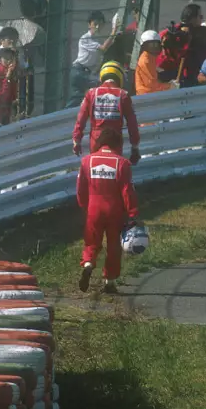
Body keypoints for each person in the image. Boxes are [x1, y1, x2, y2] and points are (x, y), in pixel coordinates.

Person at [76, 126, 140, 295]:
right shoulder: (123, 163)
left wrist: (83, 205)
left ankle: (88, 263)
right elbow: (127, 191)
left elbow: (80, 188)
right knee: (113, 246)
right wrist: (132, 213)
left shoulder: (86, 161)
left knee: (91, 242)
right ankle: (109, 281)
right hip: (114, 211)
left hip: (93, 209)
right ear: (117, 144)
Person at [73, 61, 141, 162]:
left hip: (96, 138)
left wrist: (76, 140)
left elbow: (81, 119)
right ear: (120, 77)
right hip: (115, 138)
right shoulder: (123, 95)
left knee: (94, 167)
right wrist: (134, 146)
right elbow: (132, 123)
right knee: (114, 167)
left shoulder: (91, 93)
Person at [158, 4, 206, 88]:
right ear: (193, 19)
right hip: (182, 76)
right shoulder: (172, 34)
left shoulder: (202, 32)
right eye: (200, 17)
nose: (202, 20)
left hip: (189, 74)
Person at [68, 11, 119, 107]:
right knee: (101, 83)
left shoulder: (95, 40)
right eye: (95, 24)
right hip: (79, 71)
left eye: (100, 24)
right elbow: (103, 48)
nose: (97, 27)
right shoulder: (86, 38)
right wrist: (113, 31)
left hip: (83, 72)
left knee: (77, 101)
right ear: (89, 24)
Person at [134, 30, 174, 95]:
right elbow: (152, 85)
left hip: (151, 94)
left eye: (155, 44)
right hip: (146, 97)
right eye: (150, 45)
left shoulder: (150, 57)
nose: (154, 47)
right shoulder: (145, 60)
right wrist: (170, 85)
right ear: (144, 46)